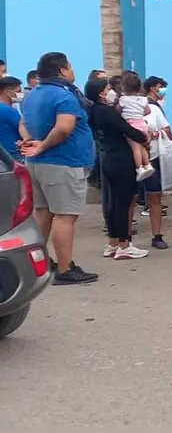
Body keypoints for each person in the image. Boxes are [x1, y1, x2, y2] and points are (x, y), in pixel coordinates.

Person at [18, 52, 98, 285]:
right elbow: (64, 128)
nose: (73, 70)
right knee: (65, 216)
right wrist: (42, 145)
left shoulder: (33, 94)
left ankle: (39, 264)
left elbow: (23, 123)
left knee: (43, 214)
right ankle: (65, 269)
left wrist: (31, 141)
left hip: (38, 163)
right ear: (62, 70)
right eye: (70, 66)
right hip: (63, 163)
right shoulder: (64, 96)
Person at [85, 78, 150, 260]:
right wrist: (144, 137)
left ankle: (112, 242)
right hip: (120, 159)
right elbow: (128, 130)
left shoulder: (92, 111)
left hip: (106, 156)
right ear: (101, 93)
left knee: (112, 203)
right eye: (108, 88)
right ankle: (124, 244)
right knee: (122, 202)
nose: (112, 91)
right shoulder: (106, 112)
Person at [139, 75, 172, 250]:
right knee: (131, 197)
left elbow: (166, 128)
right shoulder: (126, 109)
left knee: (155, 196)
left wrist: (155, 134)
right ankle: (124, 238)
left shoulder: (154, 109)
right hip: (133, 159)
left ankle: (157, 235)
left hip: (153, 157)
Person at [118, 72, 155, 181]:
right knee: (142, 146)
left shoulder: (123, 99)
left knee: (135, 148)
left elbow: (118, 111)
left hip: (131, 125)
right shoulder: (143, 99)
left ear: (124, 87)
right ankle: (147, 165)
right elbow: (148, 111)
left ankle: (139, 168)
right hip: (142, 124)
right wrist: (139, 114)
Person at [0, 77, 24, 162]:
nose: (21, 94)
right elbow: (26, 129)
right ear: (7, 92)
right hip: (14, 154)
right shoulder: (7, 110)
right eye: (18, 91)